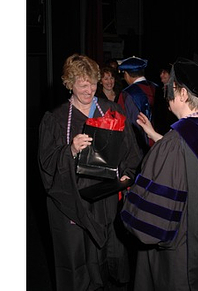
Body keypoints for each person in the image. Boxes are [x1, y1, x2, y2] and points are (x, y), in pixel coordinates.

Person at [38, 53, 142, 291]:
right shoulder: (56, 119)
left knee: (106, 262)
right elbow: (46, 165)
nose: (89, 90)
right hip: (72, 202)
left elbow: (130, 151)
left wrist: (127, 174)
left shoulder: (111, 111)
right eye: (82, 85)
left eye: (93, 83)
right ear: (69, 84)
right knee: (77, 264)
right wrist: (70, 149)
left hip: (105, 199)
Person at [121, 57, 198, 291]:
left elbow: (149, 224)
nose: (167, 93)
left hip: (181, 248)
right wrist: (155, 135)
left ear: (184, 95)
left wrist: (128, 205)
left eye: (172, 89)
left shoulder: (175, 142)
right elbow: (193, 157)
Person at [117, 56, 159, 156]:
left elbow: (120, 120)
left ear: (126, 74)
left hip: (137, 146)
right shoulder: (158, 89)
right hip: (159, 141)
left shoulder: (126, 94)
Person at [153, 64, 178, 135]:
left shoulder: (177, 90)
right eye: (161, 73)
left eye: (164, 73)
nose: (161, 75)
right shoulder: (159, 90)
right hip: (162, 128)